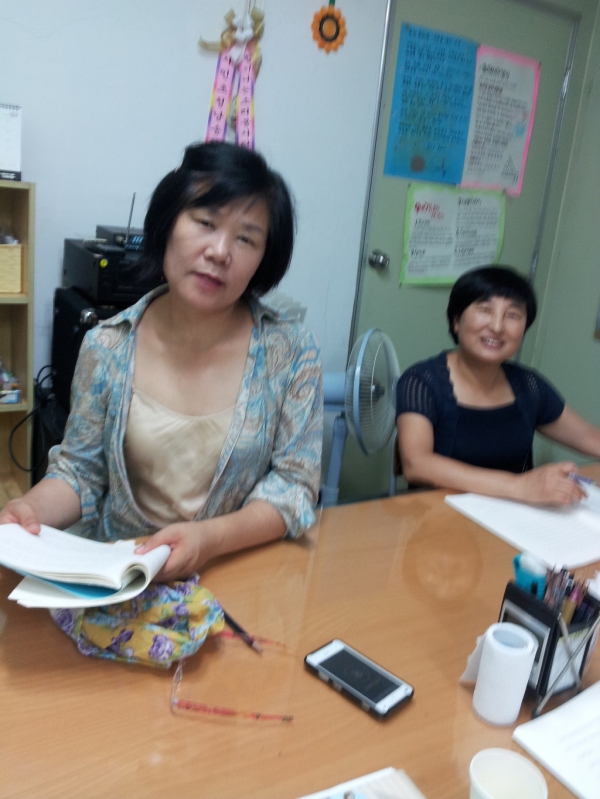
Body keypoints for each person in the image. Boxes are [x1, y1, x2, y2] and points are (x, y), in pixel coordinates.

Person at [0, 142, 323, 579]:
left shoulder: (292, 352)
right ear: (168, 222)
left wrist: (209, 539)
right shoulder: (107, 346)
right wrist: (30, 509)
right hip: (120, 578)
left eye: (246, 238)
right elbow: (80, 472)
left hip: (234, 575)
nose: (220, 251)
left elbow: (295, 487)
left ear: (264, 257)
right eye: (205, 222)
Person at [396, 265, 600, 506]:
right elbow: (416, 464)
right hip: (438, 514)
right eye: (485, 310)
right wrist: (519, 486)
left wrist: (523, 489)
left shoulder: (529, 386)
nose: (497, 326)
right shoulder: (422, 381)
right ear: (457, 321)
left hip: (514, 514)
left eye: (512, 315)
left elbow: (591, 439)